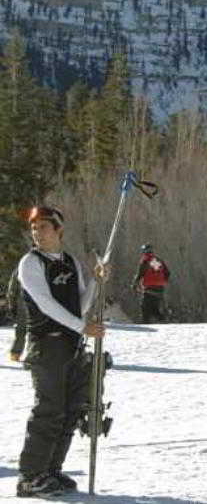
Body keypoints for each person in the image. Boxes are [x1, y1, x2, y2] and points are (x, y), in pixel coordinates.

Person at [15, 206, 108, 498]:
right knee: (49, 409)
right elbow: (45, 305)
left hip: (71, 345)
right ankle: (30, 476)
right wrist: (82, 328)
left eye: (43, 227)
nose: (37, 233)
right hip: (46, 345)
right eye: (34, 228)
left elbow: (78, 305)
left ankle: (51, 469)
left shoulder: (69, 262)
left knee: (70, 410)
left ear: (58, 230)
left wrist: (96, 280)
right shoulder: (31, 263)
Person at [131, 244, 170, 323]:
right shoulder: (158, 260)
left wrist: (134, 285)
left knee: (145, 310)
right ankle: (164, 320)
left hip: (149, 290)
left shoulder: (145, 261)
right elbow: (167, 273)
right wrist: (162, 283)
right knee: (154, 309)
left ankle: (146, 328)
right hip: (160, 290)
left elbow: (140, 275)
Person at [6, 265, 29, 362]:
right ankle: (35, 356)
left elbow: (12, 288)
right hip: (39, 303)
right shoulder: (45, 264)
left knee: (21, 330)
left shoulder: (21, 266)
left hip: (23, 302)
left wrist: (12, 304)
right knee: (38, 330)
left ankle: (15, 353)